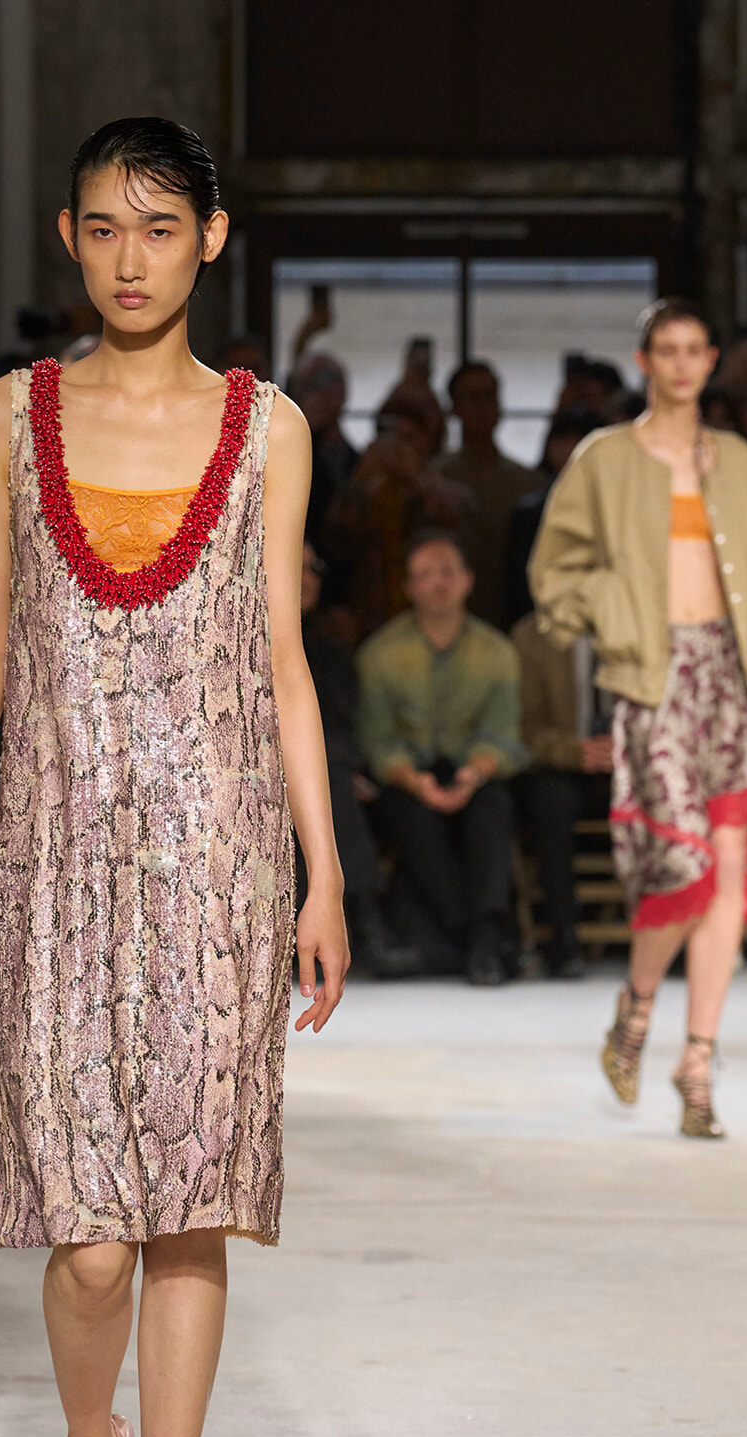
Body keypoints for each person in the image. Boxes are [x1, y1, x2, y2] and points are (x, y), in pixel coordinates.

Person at [0, 116, 348, 1437]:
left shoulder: (270, 431)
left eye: (161, 228)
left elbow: (283, 663)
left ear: (211, 240)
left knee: (186, 1217)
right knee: (88, 1244)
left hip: (223, 863)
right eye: (103, 227)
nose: (130, 258)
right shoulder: (5, 419)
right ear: (68, 236)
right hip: (57, 868)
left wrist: (322, 868)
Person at [531, 297, 747, 1137]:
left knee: (730, 872)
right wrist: (614, 614)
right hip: (654, 676)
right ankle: (638, 1004)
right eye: (669, 349)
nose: (684, 363)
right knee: (685, 869)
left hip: (729, 675)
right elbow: (553, 571)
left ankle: (697, 1062)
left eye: (697, 349)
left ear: (712, 360)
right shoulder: (606, 458)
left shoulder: (735, 459)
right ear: (645, 360)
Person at [358, 529, 528, 985]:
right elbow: (377, 739)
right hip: (410, 778)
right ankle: (478, 938)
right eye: (426, 574)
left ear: (468, 580)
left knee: (492, 809)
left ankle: (480, 934)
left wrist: (475, 773)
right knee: (411, 817)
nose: (438, 583)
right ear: (408, 586)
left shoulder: (497, 652)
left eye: (448, 572)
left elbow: (504, 733)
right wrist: (413, 780)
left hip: (475, 772)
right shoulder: (380, 654)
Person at [301, 542, 421, 978]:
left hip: (326, 772)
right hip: (252, 771)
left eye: (312, 567)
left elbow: (348, 723)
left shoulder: (331, 651)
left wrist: (345, 764)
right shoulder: (235, 640)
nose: (304, 578)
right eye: (293, 564)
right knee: (332, 783)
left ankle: (367, 924)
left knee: (342, 784)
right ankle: (369, 927)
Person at [322, 385, 470, 641]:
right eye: (391, 438)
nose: (399, 447)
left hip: (435, 620)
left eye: (409, 438)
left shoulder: (448, 490)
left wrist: (417, 483)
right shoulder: (365, 493)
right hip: (373, 623)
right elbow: (334, 545)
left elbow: (462, 536)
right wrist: (358, 482)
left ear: (427, 440)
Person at [511, 612, 613, 976]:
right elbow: (519, 728)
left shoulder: (639, 624)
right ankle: (562, 937)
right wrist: (575, 751)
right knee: (549, 799)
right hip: (562, 765)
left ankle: (676, 933)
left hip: (632, 764)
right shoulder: (531, 636)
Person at [435, 361, 544, 629]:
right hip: (450, 616)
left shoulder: (529, 482)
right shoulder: (435, 478)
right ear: (455, 408)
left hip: (514, 618)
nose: (483, 407)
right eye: (473, 398)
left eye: (490, 396)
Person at [505, 407, 606, 629]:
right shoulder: (530, 512)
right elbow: (518, 584)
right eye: (562, 440)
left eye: (580, 440)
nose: (570, 449)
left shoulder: (615, 510)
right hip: (542, 623)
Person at [289, 352, 357, 548]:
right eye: (314, 386)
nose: (326, 395)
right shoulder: (290, 454)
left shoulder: (352, 458)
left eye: (333, 383)